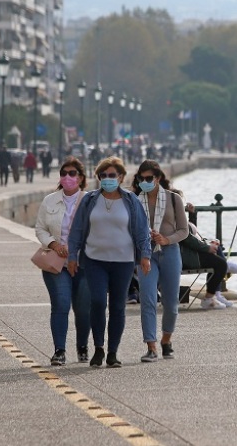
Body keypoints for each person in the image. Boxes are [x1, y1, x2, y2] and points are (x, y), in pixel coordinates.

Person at [67, 156, 150, 369]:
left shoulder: (131, 201)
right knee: (97, 302)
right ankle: (98, 348)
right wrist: (72, 256)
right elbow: (77, 229)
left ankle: (112, 352)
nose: (107, 179)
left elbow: (141, 231)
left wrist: (145, 256)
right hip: (95, 260)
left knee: (117, 306)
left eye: (111, 175)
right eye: (103, 175)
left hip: (123, 262)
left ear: (121, 177)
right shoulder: (90, 200)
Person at [34, 157, 91, 366]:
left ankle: (83, 345)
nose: (67, 177)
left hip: (83, 263)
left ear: (81, 177)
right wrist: (53, 244)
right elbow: (40, 228)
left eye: (72, 173)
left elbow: (98, 231)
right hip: (56, 263)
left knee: (84, 308)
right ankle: (59, 350)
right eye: (64, 173)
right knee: (60, 304)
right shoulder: (49, 200)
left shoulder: (90, 200)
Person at [131, 160, 189, 362]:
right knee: (147, 298)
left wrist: (166, 239)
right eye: (141, 179)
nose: (145, 182)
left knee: (171, 303)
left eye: (149, 178)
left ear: (157, 178)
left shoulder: (174, 200)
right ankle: (151, 346)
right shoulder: (135, 201)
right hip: (146, 254)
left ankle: (166, 340)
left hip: (170, 252)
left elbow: (184, 230)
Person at [181, 221, 232, 309]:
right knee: (221, 265)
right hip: (185, 257)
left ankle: (216, 294)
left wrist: (192, 214)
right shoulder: (175, 214)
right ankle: (209, 298)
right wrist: (207, 247)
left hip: (188, 252)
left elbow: (192, 233)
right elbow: (187, 238)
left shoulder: (176, 214)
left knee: (217, 249)